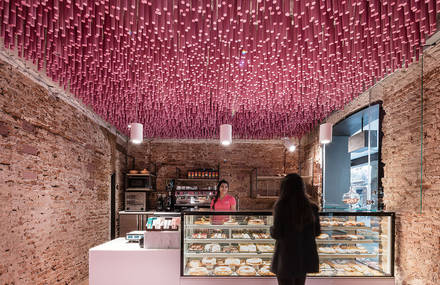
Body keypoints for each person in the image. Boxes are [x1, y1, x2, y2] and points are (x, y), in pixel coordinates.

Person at [270, 173, 321, 285]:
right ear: (302, 187)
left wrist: (270, 229)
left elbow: (277, 233)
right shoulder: (312, 207)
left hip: (286, 256)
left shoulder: (281, 207)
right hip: (303, 256)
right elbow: (317, 232)